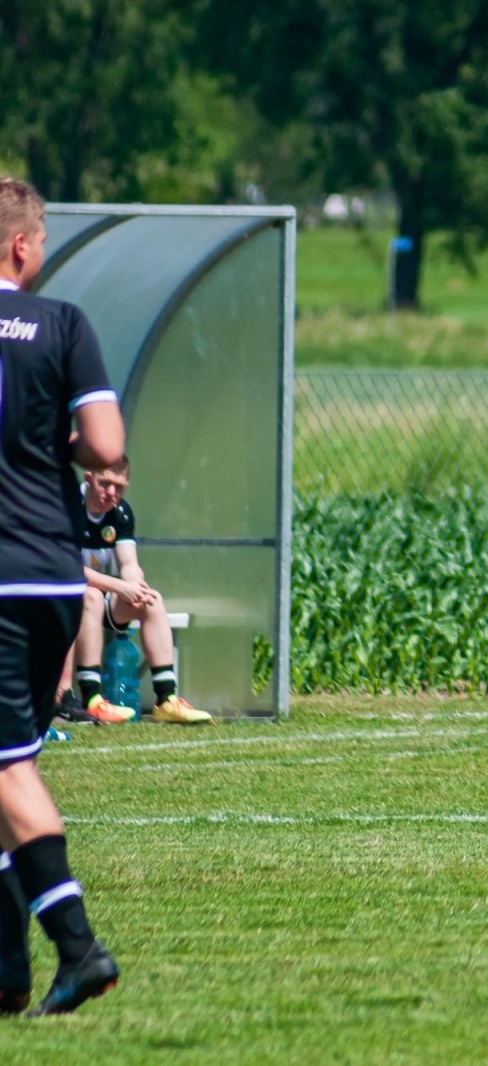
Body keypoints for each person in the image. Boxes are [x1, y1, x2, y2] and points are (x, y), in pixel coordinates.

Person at [0, 175, 123, 1015]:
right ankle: (7, 971)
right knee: (11, 767)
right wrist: (63, 444)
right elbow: (106, 444)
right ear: (20, 245)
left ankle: (76, 947)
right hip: (50, 571)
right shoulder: (63, 323)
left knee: (5, 768)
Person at [53, 460, 211, 725]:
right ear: (89, 478)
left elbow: (128, 564)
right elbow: (70, 570)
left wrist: (136, 585)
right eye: (105, 484)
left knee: (152, 601)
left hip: (100, 596)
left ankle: (166, 700)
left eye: (119, 487)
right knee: (90, 596)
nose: (111, 493)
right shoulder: (68, 505)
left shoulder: (121, 512)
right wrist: (120, 586)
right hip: (63, 597)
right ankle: (92, 700)